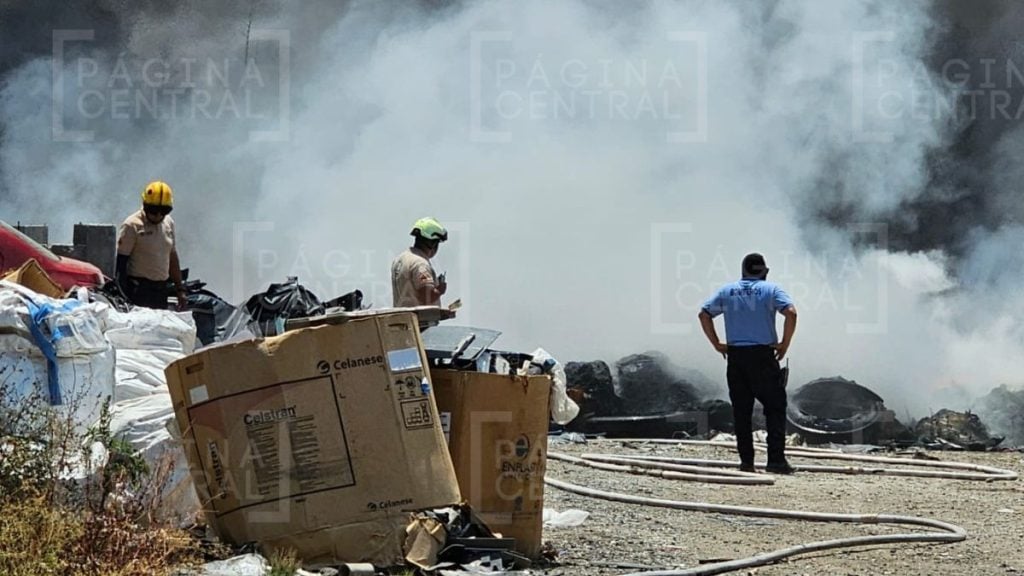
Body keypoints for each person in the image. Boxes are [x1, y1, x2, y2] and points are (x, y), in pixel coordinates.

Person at [698, 253, 798, 474]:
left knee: (741, 411)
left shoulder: (727, 291)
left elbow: (704, 314)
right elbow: (791, 313)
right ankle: (776, 461)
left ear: (743, 271)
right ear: (765, 271)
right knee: (775, 407)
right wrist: (784, 344)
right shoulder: (771, 289)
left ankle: (746, 463)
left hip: (736, 357)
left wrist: (717, 344)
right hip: (763, 356)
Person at [116, 180, 187, 310]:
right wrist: (124, 295)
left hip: (161, 290)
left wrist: (180, 289)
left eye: (164, 211)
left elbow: (172, 257)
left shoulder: (168, 223)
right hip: (139, 290)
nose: (158, 215)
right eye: (154, 211)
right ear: (145, 205)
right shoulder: (132, 225)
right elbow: (121, 264)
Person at [391, 217, 448, 307]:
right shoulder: (420, 263)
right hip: (419, 316)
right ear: (433, 244)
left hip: (402, 315)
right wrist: (440, 290)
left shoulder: (399, 259)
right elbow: (427, 297)